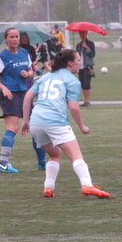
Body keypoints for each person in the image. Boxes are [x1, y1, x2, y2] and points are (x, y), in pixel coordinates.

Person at [21, 49, 111, 199]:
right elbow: (73, 107)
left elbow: (27, 97)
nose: (80, 63)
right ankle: (87, 185)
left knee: (54, 154)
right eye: (78, 60)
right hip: (55, 122)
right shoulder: (72, 80)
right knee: (76, 155)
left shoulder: (45, 77)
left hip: (36, 122)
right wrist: (82, 126)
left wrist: (26, 121)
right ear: (69, 63)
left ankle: (48, 187)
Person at [0, 27, 35, 173]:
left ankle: (42, 163)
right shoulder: (1, 56)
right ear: (6, 39)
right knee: (13, 128)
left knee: (35, 127)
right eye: (12, 37)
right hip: (10, 95)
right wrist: (3, 88)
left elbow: (31, 70)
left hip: (25, 94)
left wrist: (28, 73)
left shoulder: (24, 53)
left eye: (17, 36)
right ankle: (3, 164)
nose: (15, 39)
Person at [19, 32, 48, 168]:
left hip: (28, 85)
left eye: (25, 38)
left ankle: (41, 160)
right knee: (13, 128)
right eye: (22, 38)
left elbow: (32, 66)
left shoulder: (29, 50)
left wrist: (35, 70)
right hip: (15, 90)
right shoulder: (12, 53)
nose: (23, 40)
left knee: (34, 126)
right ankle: (4, 161)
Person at [76, 30, 95, 107]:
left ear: (86, 33)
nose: (81, 34)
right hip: (80, 67)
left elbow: (92, 55)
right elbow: (76, 55)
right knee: (82, 84)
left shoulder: (90, 44)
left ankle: (87, 101)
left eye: (83, 33)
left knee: (87, 84)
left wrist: (87, 48)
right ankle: (85, 101)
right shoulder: (78, 45)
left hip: (87, 67)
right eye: (80, 33)